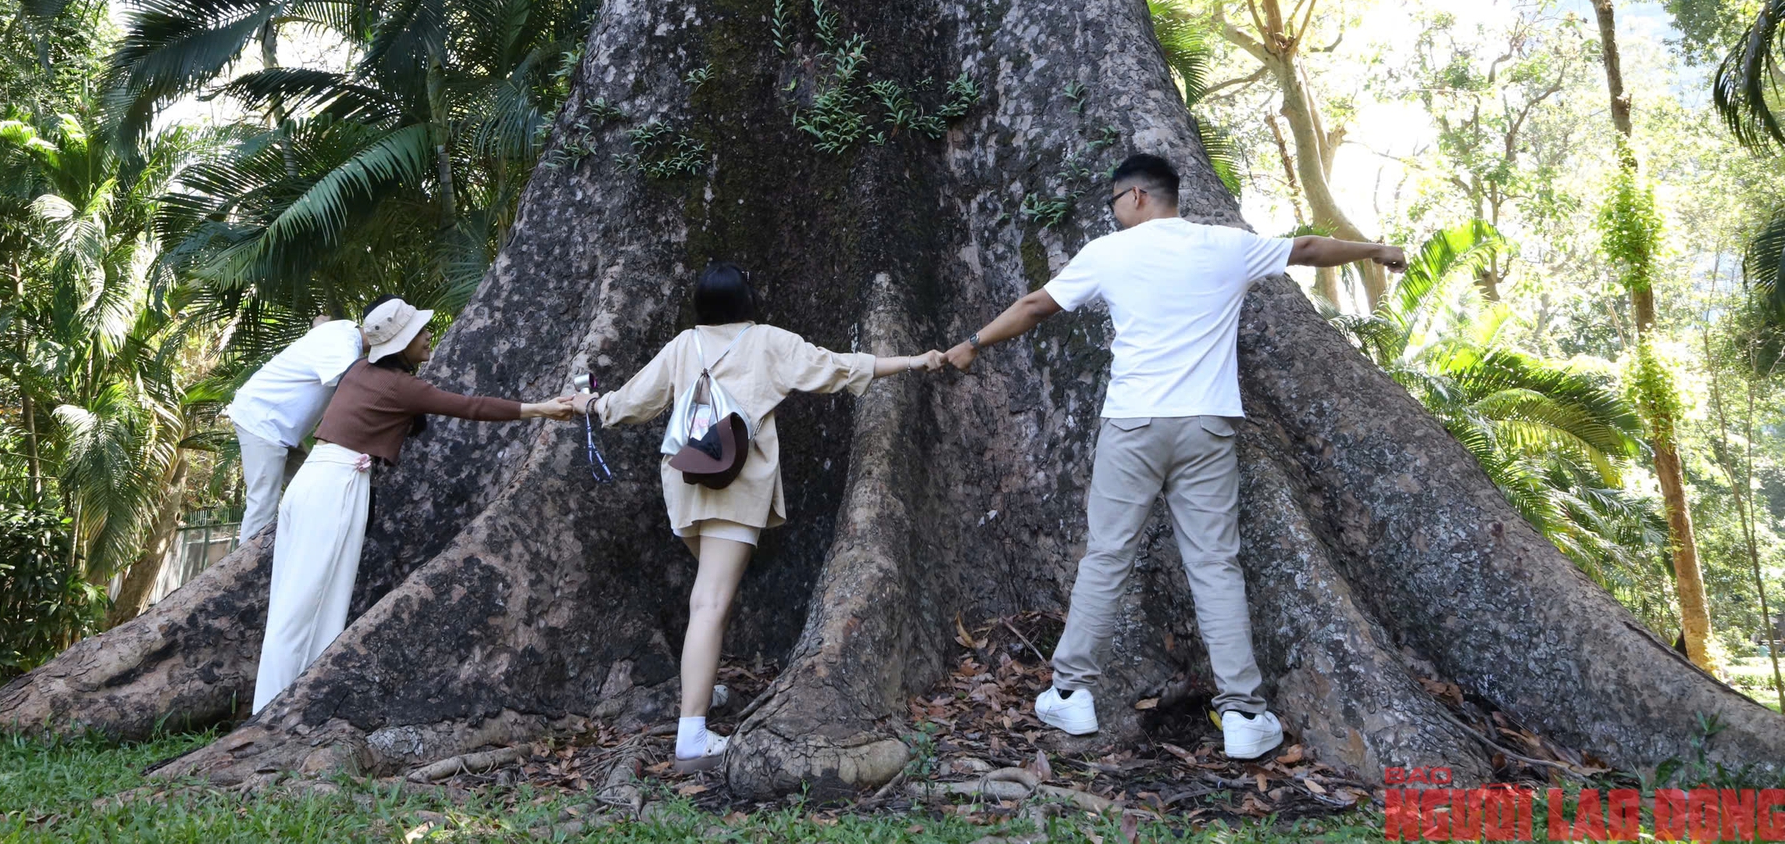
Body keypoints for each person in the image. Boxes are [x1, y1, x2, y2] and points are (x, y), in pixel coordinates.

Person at [943, 153, 1405, 760]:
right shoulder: (1226, 246)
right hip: (1207, 425)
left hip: (1134, 422)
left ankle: (1071, 694)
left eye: (1113, 203)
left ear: (1134, 197)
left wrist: (971, 344)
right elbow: (1312, 247)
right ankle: (1242, 713)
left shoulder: (1109, 253)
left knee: (1108, 555)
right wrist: (1375, 249)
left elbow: (1034, 307)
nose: (1112, 214)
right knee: (1215, 564)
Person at [567, 262, 944, 773]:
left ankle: (701, 691)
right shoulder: (765, 340)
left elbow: (634, 401)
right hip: (735, 484)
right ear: (747, 298)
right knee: (711, 602)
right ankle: (692, 735)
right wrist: (913, 361)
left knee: (709, 595)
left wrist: (593, 404)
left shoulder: (684, 345)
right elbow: (836, 366)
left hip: (685, 480)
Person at [252, 297, 577, 713]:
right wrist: (541, 409)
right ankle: (272, 712)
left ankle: (284, 705)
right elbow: (470, 407)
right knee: (305, 605)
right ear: (400, 344)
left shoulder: (359, 372)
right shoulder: (402, 387)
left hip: (314, 481)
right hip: (335, 486)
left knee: (300, 599)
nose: (428, 337)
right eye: (419, 332)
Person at [224, 311, 368, 542]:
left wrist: (319, 325)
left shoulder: (343, 330)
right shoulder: (344, 349)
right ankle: (242, 571)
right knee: (262, 504)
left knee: (313, 491)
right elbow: (350, 389)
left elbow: (321, 327)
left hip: (280, 428)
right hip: (263, 422)